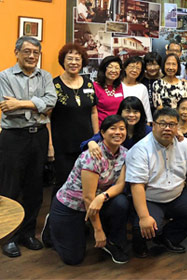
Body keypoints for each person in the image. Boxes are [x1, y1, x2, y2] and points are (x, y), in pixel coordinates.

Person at [126, 108, 187, 258]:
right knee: (146, 226)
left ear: (177, 127)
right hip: (150, 198)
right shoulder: (141, 149)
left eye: (172, 124)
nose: (167, 128)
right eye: (162, 124)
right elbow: (136, 186)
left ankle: (167, 238)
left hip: (176, 195)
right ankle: (139, 244)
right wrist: (144, 217)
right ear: (153, 125)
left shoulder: (185, 144)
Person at [0, 37, 57, 258]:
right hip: (13, 137)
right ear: (17, 52)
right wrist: (38, 106)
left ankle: (27, 234)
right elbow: (7, 109)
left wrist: (22, 103)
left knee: (35, 189)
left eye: (35, 52)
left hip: (38, 137)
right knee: (10, 188)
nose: (31, 56)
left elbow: (51, 102)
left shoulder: (46, 76)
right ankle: (10, 238)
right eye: (26, 51)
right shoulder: (4, 76)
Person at [49, 115, 129, 265]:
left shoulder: (125, 153)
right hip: (72, 205)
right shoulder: (92, 156)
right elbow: (87, 198)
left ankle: (111, 242)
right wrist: (98, 231)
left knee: (121, 203)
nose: (118, 132)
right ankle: (51, 224)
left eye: (122, 128)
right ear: (103, 133)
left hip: (97, 201)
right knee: (73, 259)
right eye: (113, 128)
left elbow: (120, 185)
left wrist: (103, 196)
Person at [48, 43, 98, 201]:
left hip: (86, 145)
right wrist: (50, 146)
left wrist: (97, 138)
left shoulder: (89, 83)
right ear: (63, 61)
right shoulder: (53, 85)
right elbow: (46, 117)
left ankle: (82, 222)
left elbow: (93, 111)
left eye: (78, 59)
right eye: (70, 58)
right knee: (63, 185)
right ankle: (56, 221)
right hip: (62, 145)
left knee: (86, 185)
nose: (74, 62)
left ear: (82, 62)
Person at [121, 56, 153, 123]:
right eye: (132, 67)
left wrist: (148, 123)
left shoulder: (142, 88)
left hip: (137, 124)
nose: (134, 70)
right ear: (125, 68)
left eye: (138, 68)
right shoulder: (117, 85)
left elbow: (147, 111)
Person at [94, 56, 124, 126]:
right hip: (101, 128)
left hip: (118, 127)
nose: (113, 70)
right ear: (104, 69)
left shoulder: (122, 86)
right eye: (110, 67)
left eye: (117, 68)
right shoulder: (95, 86)